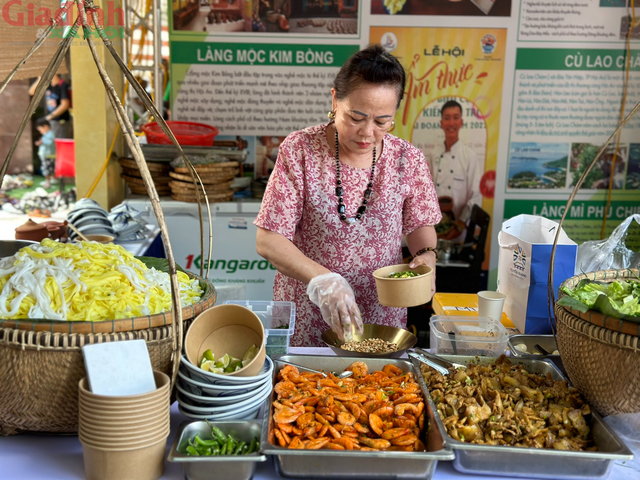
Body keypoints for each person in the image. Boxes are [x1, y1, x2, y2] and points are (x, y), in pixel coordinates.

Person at [254, 45, 441, 347]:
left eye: (382, 121)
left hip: (381, 318)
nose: (367, 132)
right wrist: (323, 280)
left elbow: (421, 230)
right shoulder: (300, 150)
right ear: (334, 100)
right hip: (308, 313)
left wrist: (426, 257)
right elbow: (269, 240)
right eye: (356, 117)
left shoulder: (408, 159)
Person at [427, 100, 483, 241]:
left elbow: (475, 196)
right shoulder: (433, 154)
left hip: (459, 231)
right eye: (447, 118)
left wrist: (461, 224)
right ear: (441, 123)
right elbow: (426, 190)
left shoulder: (469, 156)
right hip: (434, 228)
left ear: (461, 122)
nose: (451, 123)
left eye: (455, 117)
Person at [29, 73, 72, 139]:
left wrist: (50, 116)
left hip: (60, 121)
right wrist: (39, 79)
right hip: (51, 121)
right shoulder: (48, 85)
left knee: (60, 143)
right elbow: (31, 92)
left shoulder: (62, 85)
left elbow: (65, 105)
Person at [35, 118, 56, 188]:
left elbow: (50, 142)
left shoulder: (50, 134)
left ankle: (48, 181)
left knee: (46, 168)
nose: (40, 131)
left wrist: (42, 142)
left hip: (48, 155)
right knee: (50, 168)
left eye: (40, 129)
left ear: (45, 126)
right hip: (48, 154)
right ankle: (52, 179)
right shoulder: (47, 134)